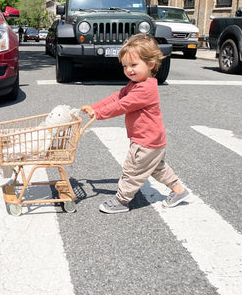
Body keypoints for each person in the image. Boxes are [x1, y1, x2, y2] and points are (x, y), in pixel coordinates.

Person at [81, 34, 190, 214]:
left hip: (145, 141)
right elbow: (117, 97)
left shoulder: (146, 89)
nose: (128, 70)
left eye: (133, 65)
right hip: (153, 139)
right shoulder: (136, 83)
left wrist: (98, 114)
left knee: (132, 170)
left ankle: (121, 201)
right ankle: (179, 191)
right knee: (157, 168)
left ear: (150, 65)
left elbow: (122, 105)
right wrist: (93, 107)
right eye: (125, 66)